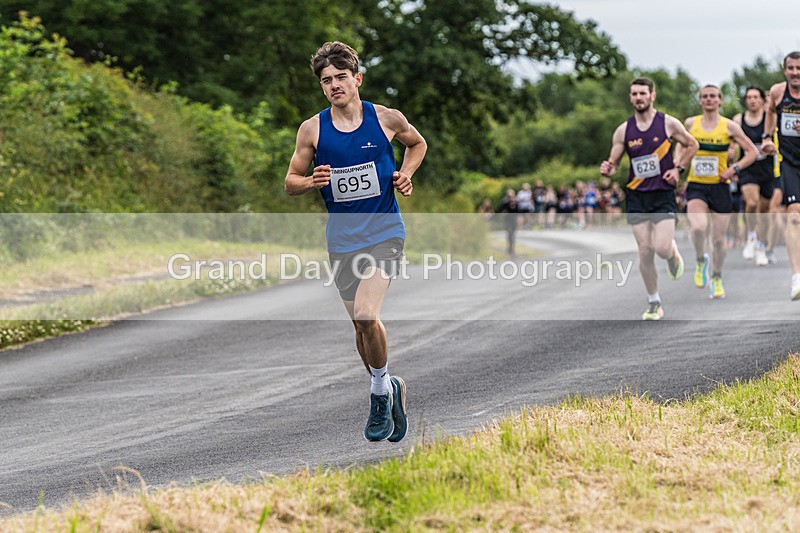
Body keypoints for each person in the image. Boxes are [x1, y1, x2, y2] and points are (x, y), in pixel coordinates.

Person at [284, 41, 427, 442]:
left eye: (341, 77)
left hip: (385, 232)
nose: (334, 85)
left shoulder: (385, 118)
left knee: (367, 314)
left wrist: (406, 172)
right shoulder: (312, 129)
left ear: (357, 78)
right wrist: (310, 180)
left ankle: (379, 393)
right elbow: (290, 181)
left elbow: (417, 143)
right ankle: (389, 385)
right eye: (326, 80)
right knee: (361, 331)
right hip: (341, 239)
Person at [600, 77, 699, 320]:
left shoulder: (668, 123)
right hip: (636, 195)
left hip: (662, 193)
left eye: (643, 93)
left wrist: (678, 169)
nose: (638, 98)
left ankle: (672, 253)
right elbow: (614, 160)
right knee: (645, 250)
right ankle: (654, 301)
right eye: (634, 94)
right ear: (630, 97)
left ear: (652, 95)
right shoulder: (624, 130)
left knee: (661, 248)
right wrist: (609, 168)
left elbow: (692, 144)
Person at [678, 84, 757, 299]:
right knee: (698, 228)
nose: (709, 100)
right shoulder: (690, 123)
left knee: (719, 240)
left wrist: (734, 169)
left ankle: (717, 276)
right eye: (705, 96)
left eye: (713, 96)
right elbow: (680, 145)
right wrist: (678, 165)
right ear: (700, 100)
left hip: (720, 186)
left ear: (720, 100)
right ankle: (700, 259)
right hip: (696, 185)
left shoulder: (729, 127)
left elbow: (752, 152)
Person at [761, 51, 800, 300]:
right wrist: (766, 138)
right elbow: (772, 114)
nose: (795, 73)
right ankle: (797, 277)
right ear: (784, 70)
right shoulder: (777, 92)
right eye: (791, 68)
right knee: (794, 216)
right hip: (790, 162)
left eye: (799, 68)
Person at [732, 86, 775, 266]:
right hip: (747, 169)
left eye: (756, 97)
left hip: (767, 170)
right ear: (745, 100)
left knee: (764, 213)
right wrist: (732, 164)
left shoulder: (770, 119)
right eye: (749, 97)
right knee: (751, 203)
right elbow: (732, 145)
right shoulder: (738, 120)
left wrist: (772, 147)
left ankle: (760, 245)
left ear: (762, 100)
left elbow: (778, 140)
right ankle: (750, 236)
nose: (752, 100)